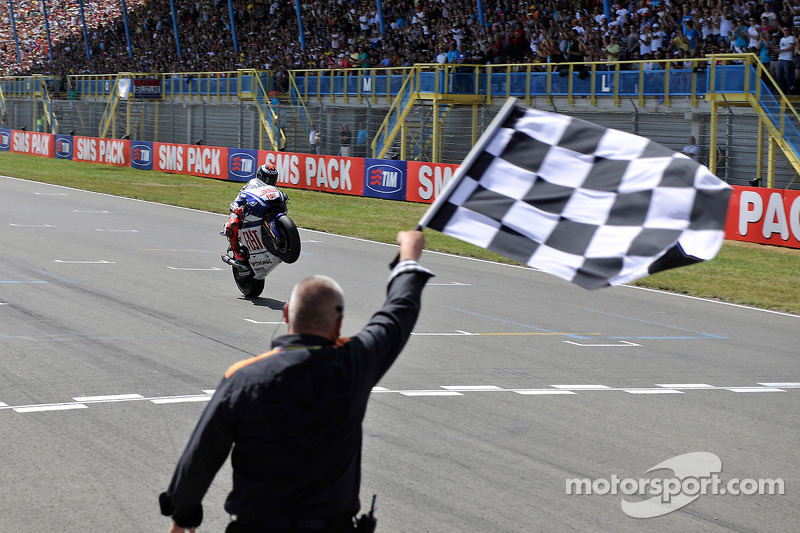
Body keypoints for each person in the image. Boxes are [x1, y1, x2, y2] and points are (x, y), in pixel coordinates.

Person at [159, 230, 433, 533]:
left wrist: (182, 515)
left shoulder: (242, 377)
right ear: (339, 324)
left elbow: (202, 455)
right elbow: (399, 312)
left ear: (287, 313)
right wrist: (409, 254)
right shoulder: (354, 364)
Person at [224, 163, 279, 263]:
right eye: (268, 179)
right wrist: (236, 208)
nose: (270, 182)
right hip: (246, 211)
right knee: (232, 223)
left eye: (273, 179)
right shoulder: (253, 184)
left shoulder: (274, 190)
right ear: (260, 177)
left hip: (263, 211)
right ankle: (236, 251)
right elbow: (237, 200)